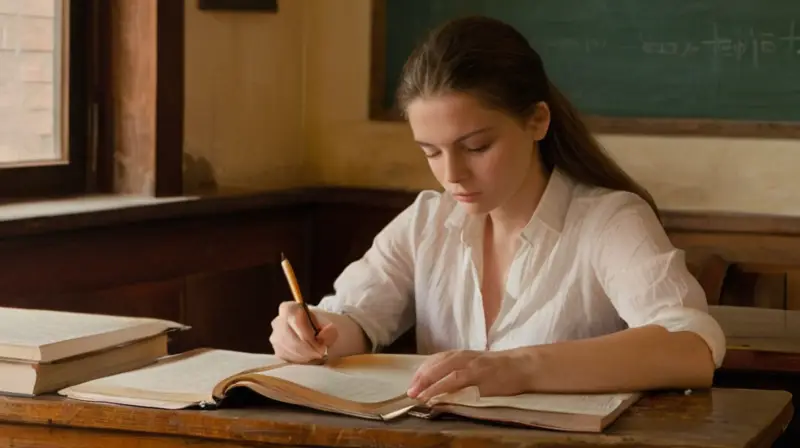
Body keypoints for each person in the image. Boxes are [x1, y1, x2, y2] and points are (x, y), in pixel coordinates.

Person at [269, 16, 726, 403]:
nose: (452, 175)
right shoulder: (426, 222)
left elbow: (691, 346)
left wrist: (519, 367)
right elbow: (354, 320)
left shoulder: (609, 220)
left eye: (476, 147)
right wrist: (315, 332)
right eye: (431, 152)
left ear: (537, 121)